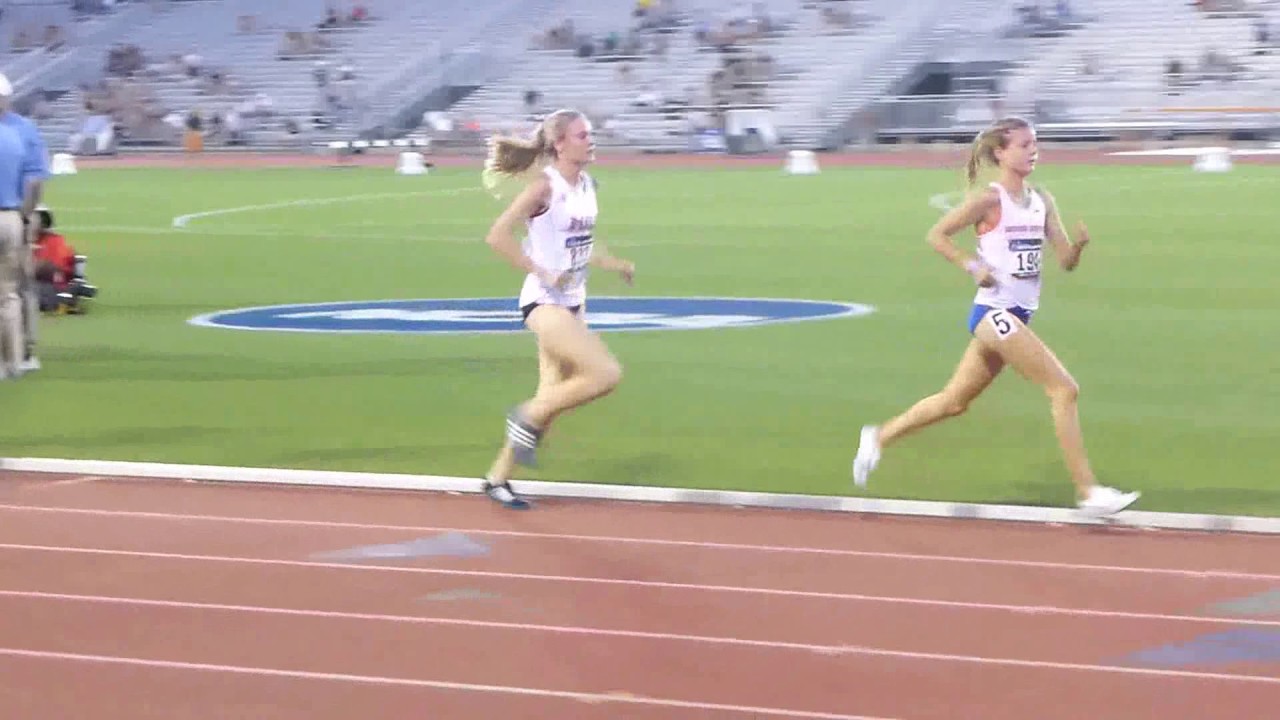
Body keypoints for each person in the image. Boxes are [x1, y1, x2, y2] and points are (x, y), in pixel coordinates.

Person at [851, 116, 1139, 517]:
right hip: (994, 312)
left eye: (1035, 144)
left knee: (954, 402)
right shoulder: (990, 200)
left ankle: (879, 437)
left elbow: (1065, 261)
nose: (1033, 151)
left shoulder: (1042, 200)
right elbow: (937, 235)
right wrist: (972, 266)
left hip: (1019, 314)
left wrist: (1079, 247)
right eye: (1023, 145)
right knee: (1063, 389)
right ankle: (1089, 491)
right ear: (1001, 153)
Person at [478, 109, 636, 509]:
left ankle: (497, 478)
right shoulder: (544, 188)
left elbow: (580, 240)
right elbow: (497, 236)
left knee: (550, 397)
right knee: (605, 373)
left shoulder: (586, 184)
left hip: (573, 302)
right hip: (544, 302)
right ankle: (524, 415)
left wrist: (612, 262)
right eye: (583, 135)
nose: (591, 140)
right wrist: (542, 271)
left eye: (590, 134)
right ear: (560, 144)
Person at [0, 72, 49, 379]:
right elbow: (34, 181)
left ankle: (17, 354)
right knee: (14, 291)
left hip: (17, 214)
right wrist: (26, 216)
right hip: (14, 215)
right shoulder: (21, 132)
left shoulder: (21, 129)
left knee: (17, 286)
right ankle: (18, 358)